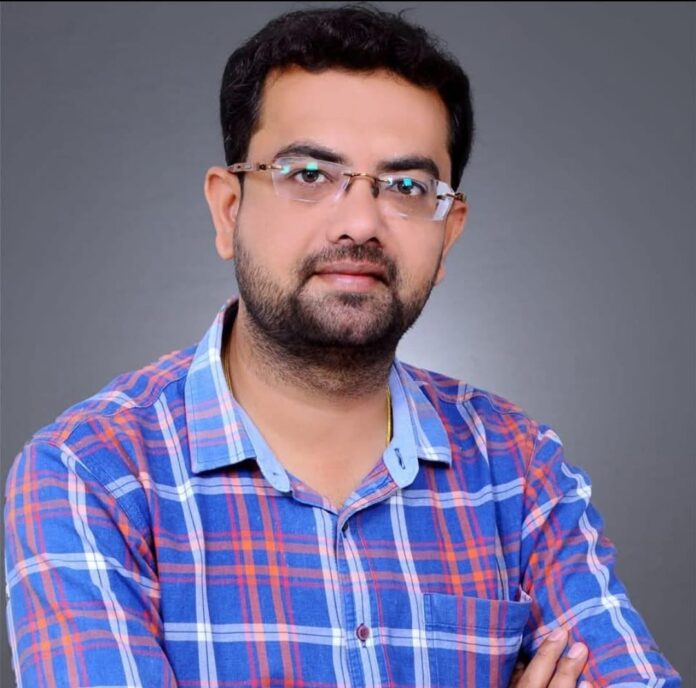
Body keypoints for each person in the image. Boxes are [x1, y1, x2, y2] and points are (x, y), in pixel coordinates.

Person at [4, 5, 681, 687]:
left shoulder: (520, 468)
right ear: (229, 209)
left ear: (448, 232)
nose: (359, 222)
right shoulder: (91, 475)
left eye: (407, 187)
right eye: (308, 175)